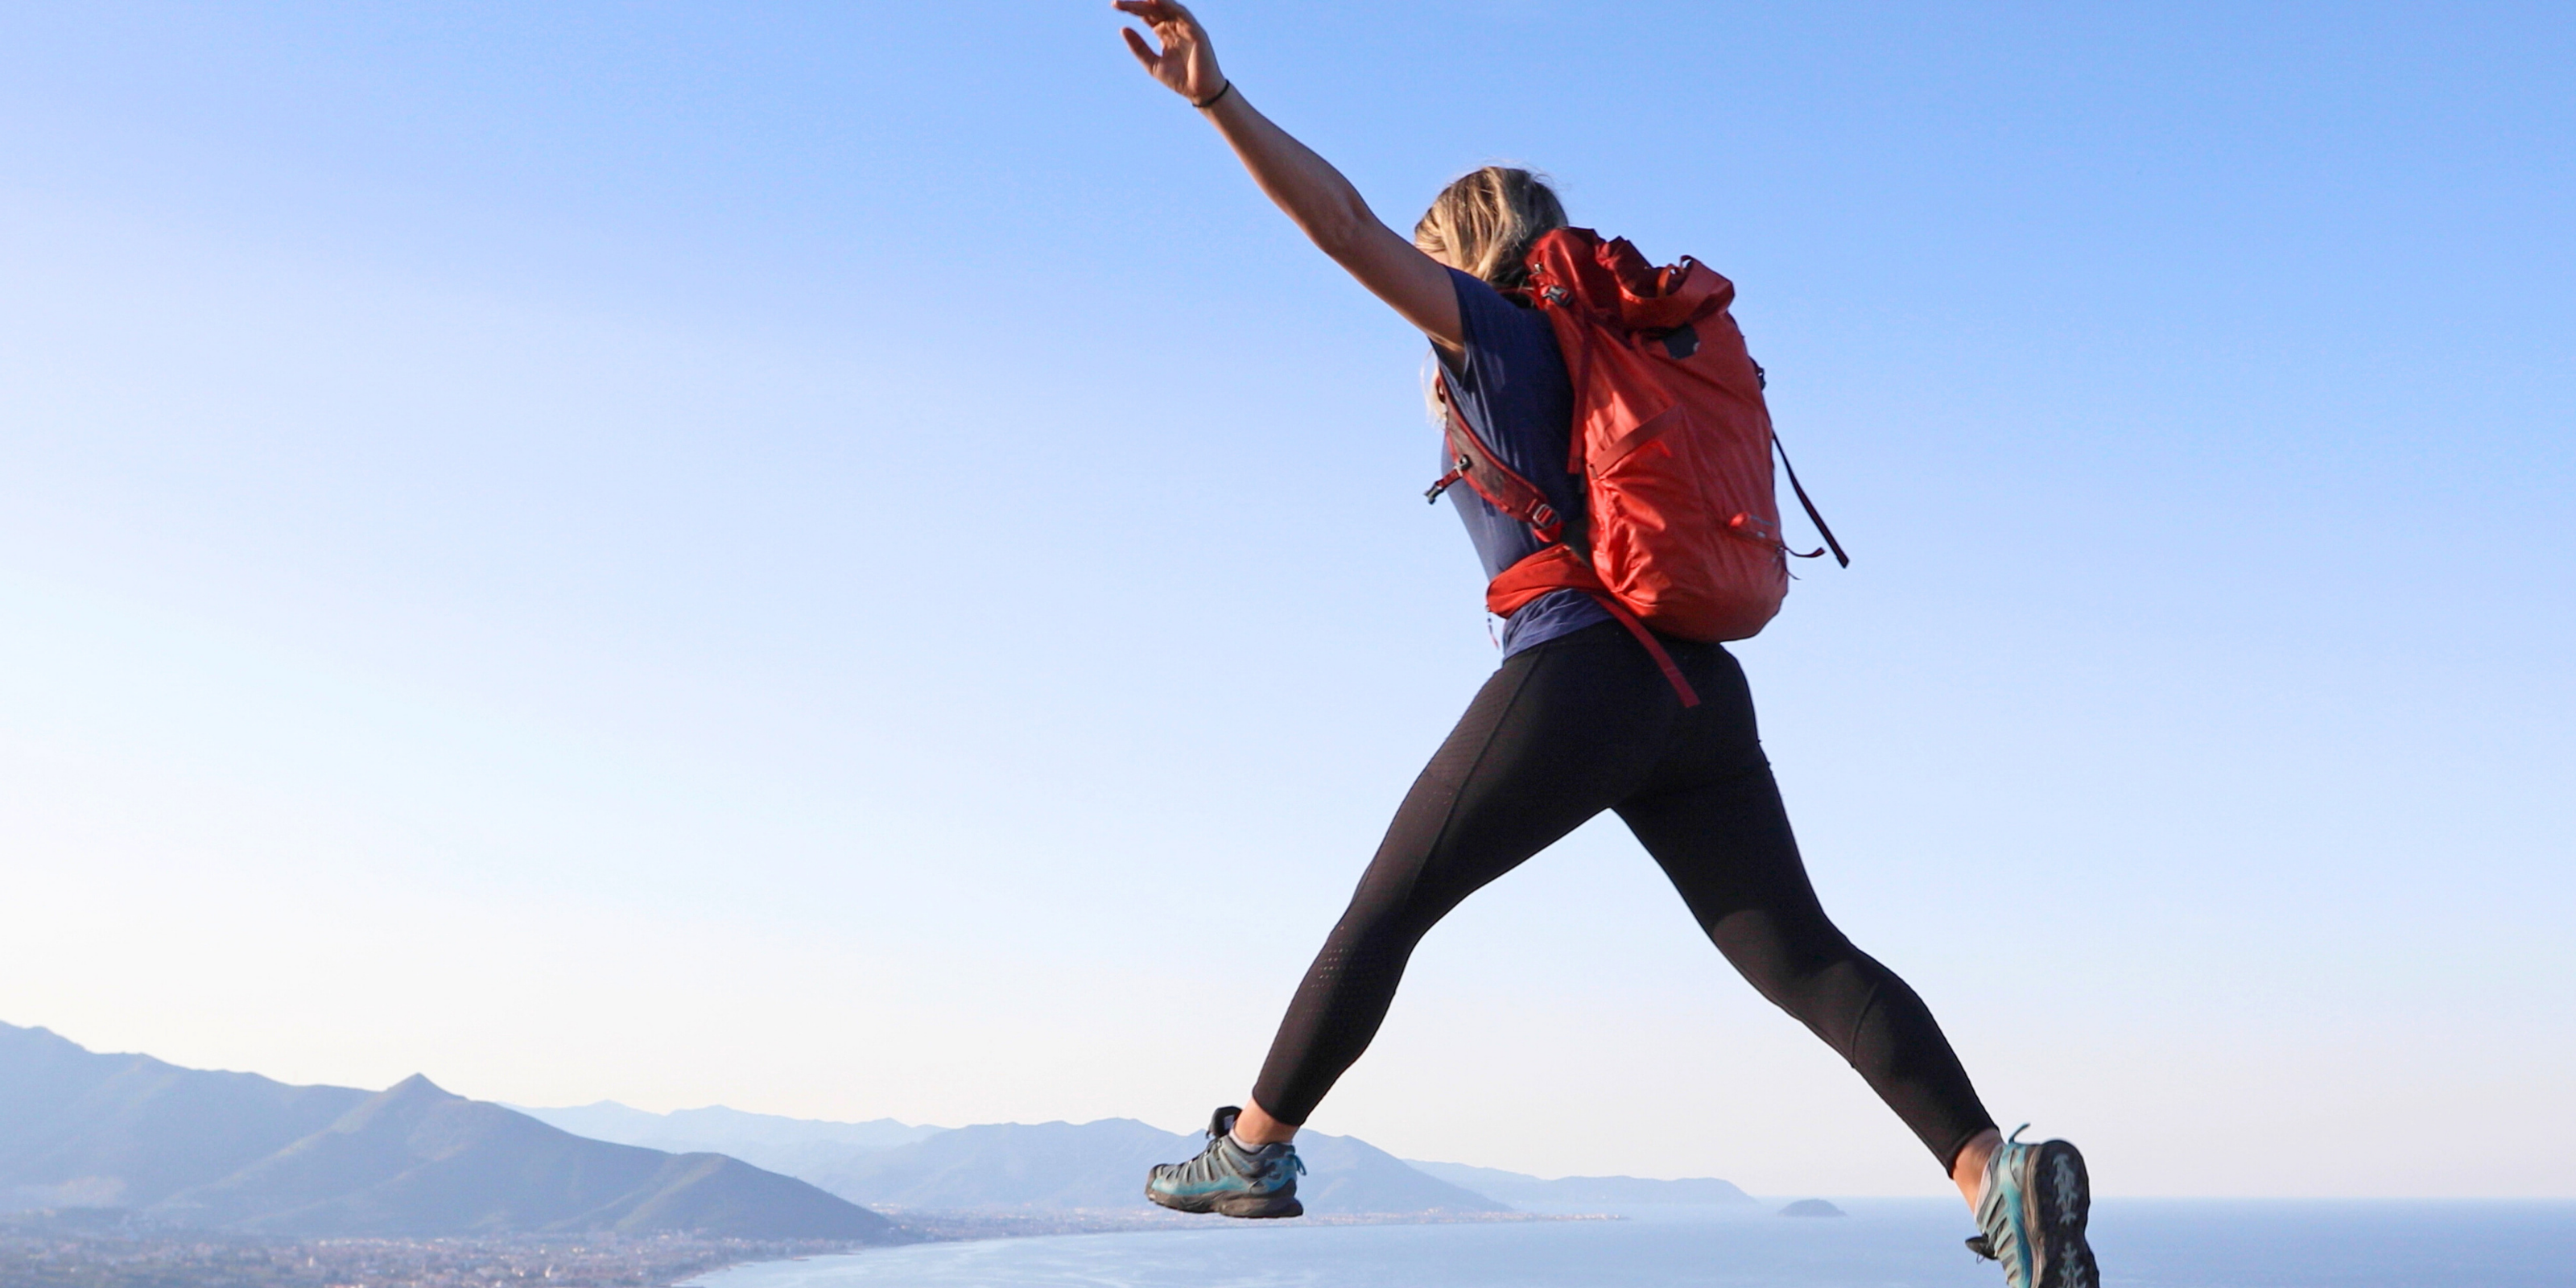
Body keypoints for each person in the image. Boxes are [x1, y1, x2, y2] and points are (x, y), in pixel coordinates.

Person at [1112, 5, 2097, 1286]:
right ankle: (1990, 1176)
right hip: (1700, 695)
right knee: (1805, 955)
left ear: (1468, 256)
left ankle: (1253, 1147)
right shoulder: (1625, 352)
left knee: (1388, 906)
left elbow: (1340, 227)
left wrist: (1217, 98)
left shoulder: (1501, 340)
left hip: (1581, 670)